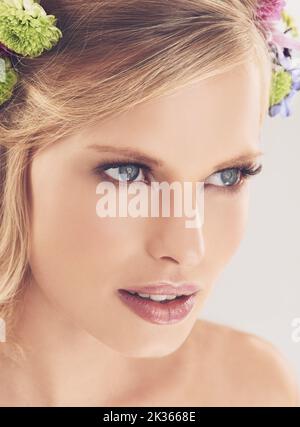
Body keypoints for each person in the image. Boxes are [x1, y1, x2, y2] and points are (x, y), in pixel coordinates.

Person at [0, 0, 299, 407]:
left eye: (227, 176)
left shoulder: (255, 389)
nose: (188, 248)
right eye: (128, 174)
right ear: (11, 156)